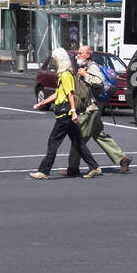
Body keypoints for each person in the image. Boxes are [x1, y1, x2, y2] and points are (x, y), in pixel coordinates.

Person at [31, 48, 101, 179]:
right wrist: (41, 103)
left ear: (58, 60)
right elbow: (59, 93)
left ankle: (44, 171)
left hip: (65, 114)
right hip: (66, 113)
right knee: (78, 142)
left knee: (53, 142)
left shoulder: (65, 75)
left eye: (53, 58)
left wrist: (73, 111)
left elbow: (70, 94)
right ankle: (95, 167)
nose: (52, 61)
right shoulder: (62, 74)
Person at [65, 45, 131, 176]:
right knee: (99, 135)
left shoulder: (92, 67)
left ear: (87, 55)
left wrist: (85, 75)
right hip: (94, 107)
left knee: (78, 138)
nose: (77, 55)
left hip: (91, 108)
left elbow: (99, 82)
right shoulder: (85, 67)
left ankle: (72, 168)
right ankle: (122, 159)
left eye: (80, 53)